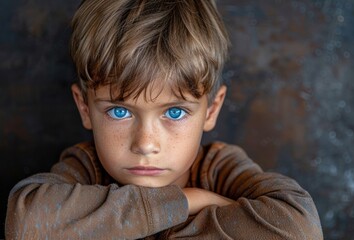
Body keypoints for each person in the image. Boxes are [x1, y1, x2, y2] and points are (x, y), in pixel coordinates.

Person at [5, 0, 323, 239]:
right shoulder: (87, 168)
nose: (145, 144)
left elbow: (300, 228)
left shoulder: (221, 170)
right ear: (85, 108)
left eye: (174, 112)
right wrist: (188, 201)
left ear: (211, 110)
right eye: (120, 111)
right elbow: (25, 223)